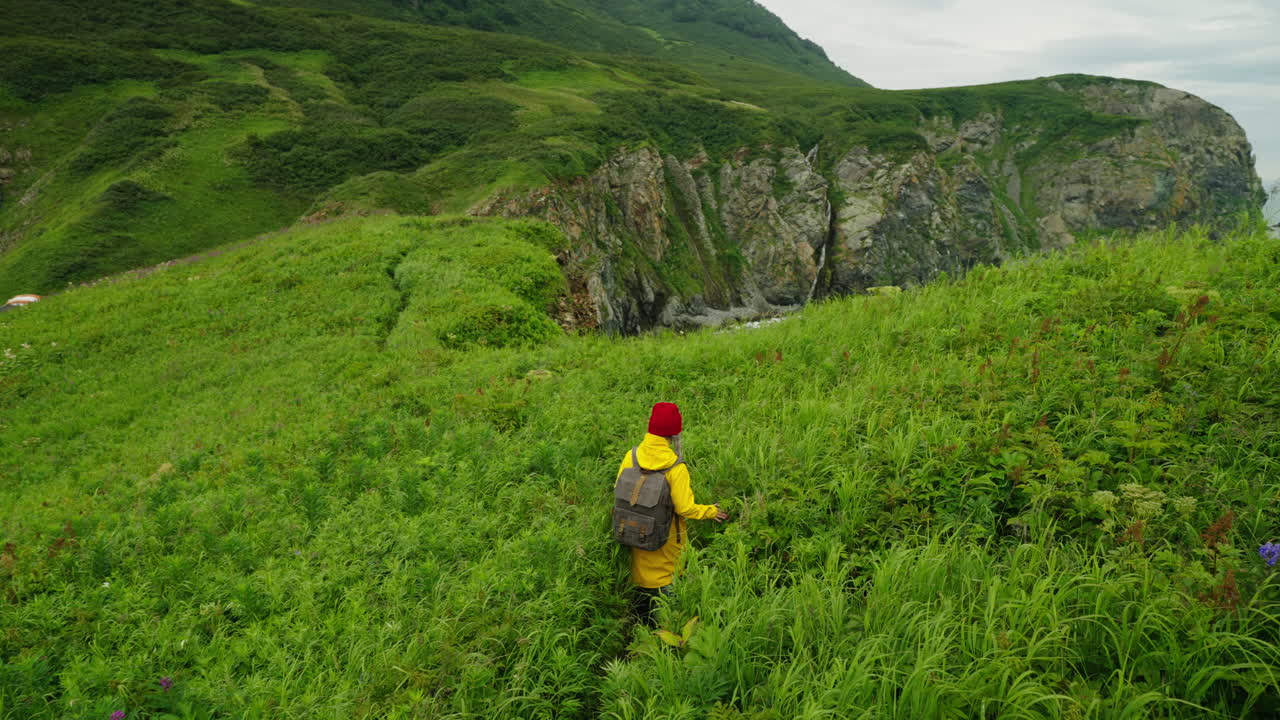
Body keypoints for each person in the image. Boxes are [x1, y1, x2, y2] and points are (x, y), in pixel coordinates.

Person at [616, 402, 729, 624]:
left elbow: (618, 490)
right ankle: (667, 631)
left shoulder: (632, 456)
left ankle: (639, 627)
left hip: (632, 536)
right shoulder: (675, 467)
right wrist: (710, 511)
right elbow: (685, 508)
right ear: (674, 434)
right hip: (664, 545)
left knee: (640, 606)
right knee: (667, 608)